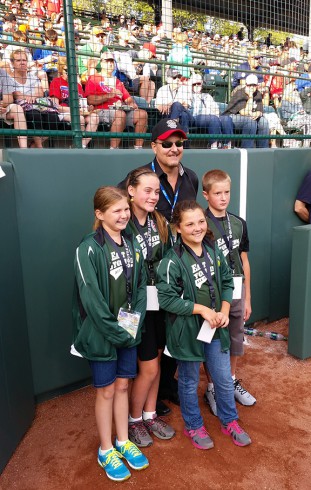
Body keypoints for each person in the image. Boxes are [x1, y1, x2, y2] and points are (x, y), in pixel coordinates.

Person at [156, 200, 252, 450]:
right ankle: (194, 425)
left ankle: (229, 420)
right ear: (178, 228)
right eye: (189, 224)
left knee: (222, 377)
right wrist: (201, 309)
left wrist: (224, 310)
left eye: (201, 221)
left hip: (216, 329)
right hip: (186, 332)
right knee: (188, 381)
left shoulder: (213, 251)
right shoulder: (171, 261)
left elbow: (229, 282)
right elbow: (166, 299)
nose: (197, 227)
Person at [119, 118, 199, 415]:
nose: (174, 148)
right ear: (154, 146)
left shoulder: (191, 177)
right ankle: (134, 412)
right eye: (167, 143)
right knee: (142, 352)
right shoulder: (139, 177)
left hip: (174, 274)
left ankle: (165, 388)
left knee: (170, 336)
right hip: (139, 286)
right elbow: (118, 215)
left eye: (179, 143)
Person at [71, 186, 149, 482]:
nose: (123, 215)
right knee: (105, 390)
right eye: (116, 210)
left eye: (125, 209)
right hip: (101, 335)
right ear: (99, 214)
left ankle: (122, 440)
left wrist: (135, 323)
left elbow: (140, 288)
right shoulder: (87, 247)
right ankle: (106, 449)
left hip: (128, 331)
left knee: (122, 387)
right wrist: (117, 332)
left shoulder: (133, 243)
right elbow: (90, 298)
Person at [126, 168, 175, 447]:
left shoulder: (159, 222)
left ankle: (150, 413)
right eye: (147, 190)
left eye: (157, 191)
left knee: (155, 362)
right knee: (145, 367)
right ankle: (134, 421)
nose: (153, 196)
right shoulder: (123, 221)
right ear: (131, 191)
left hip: (159, 303)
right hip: (133, 308)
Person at [201, 169, 256, 415]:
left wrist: (248, 297)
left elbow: (244, 261)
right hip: (211, 290)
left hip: (236, 288)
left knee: (235, 337)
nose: (223, 198)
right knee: (214, 340)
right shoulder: (200, 222)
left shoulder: (239, 223)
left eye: (227, 192)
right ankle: (213, 386)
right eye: (217, 193)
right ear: (206, 195)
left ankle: (230, 380)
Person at [85, 50, 148, 149]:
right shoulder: (93, 78)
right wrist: (109, 95)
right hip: (101, 110)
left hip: (119, 110)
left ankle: (138, 148)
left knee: (142, 114)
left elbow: (128, 99)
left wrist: (132, 104)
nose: (110, 64)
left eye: (111, 61)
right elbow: (90, 100)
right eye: (107, 61)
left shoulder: (117, 81)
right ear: (101, 63)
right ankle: (113, 149)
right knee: (120, 114)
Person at [49, 58, 99, 148]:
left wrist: (88, 108)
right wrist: (74, 111)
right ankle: (79, 146)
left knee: (95, 117)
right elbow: (55, 106)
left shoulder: (78, 85)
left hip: (79, 112)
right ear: (61, 70)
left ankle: (80, 146)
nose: (69, 72)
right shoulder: (56, 82)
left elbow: (82, 103)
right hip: (64, 112)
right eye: (66, 70)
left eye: (72, 69)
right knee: (79, 119)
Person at [222, 74, 270, 148]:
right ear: (246, 85)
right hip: (231, 117)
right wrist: (250, 97)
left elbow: (260, 110)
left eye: (254, 85)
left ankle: (263, 150)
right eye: (249, 85)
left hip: (247, 117)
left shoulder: (258, 94)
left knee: (264, 122)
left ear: (257, 85)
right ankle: (247, 150)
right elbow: (244, 112)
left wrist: (258, 113)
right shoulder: (240, 93)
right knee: (250, 121)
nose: (251, 87)